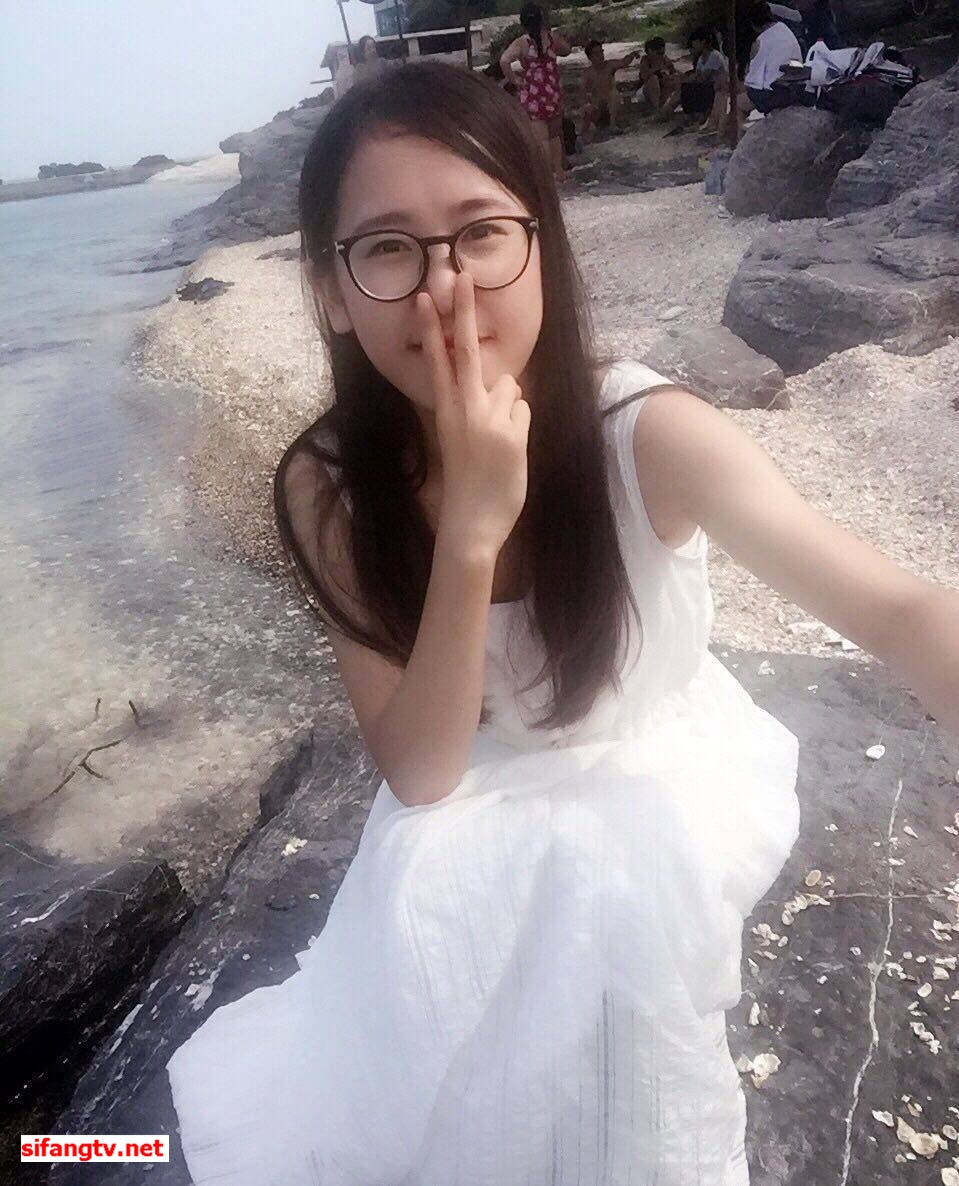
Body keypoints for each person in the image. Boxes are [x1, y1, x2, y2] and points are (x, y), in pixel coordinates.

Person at [165, 61, 959, 1186]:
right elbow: (422, 772)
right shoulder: (328, 485)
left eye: (480, 234)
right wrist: (470, 530)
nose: (445, 289)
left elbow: (895, 608)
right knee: (419, 989)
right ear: (330, 290)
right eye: (387, 249)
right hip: (466, 788)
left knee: (612, 888)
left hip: (646, 768)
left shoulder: (650, 433)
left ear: (541, 244)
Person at [501, 3, 573, 182]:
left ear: (523, 23)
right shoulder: (551, 37)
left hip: (533, 93)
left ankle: (547, 175)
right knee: (555, 135)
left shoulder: (522, 42)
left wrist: (514, 79)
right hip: (552, 90)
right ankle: (559, 171)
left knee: (542, 139)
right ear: (541, 20)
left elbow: (504, 60)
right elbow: (567, 50)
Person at [660, 27, 730, 134]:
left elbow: (702, 77)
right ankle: (673, 111)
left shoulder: (714, 56)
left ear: (703, 42)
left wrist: (685, 78)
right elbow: (697, 76)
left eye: (695, 41)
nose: (693, 44)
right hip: (705, 88)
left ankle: (672, 110)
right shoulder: (701, 59)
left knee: (686, 86)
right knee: (685, 86)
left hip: (714, 89)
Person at [740, 2, 804, 115]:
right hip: (796, 87)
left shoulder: (760, 42)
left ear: (753, 25)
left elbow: (753, 81)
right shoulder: (784, 28)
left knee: (738, 103)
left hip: (776, 93)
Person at [580, 38, 640, 139]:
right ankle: (585, 132)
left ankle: (612, 124)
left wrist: (633, 54)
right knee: (588, 107)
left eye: (601, 52)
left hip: (611, 106)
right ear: (590, 57)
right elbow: (581, 92)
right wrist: (586, 106)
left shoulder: (610, 65)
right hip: (598, 108)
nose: (600, 55)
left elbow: (624, 62)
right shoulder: (587, 73)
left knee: (614, 93)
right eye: (596, 53)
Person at [638, 35, 678, 110]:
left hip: (661, 91)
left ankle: (662, 107)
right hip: (645, 91)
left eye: (662, 53)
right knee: (654, 79)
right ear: (650, 51)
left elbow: (674, 72)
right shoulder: (646, 60)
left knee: (673, 81)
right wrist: (656, 68)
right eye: (658, 53)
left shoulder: (665, 59)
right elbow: (644, 77)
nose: (660, 56)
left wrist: (669, 75)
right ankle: (656, 108)